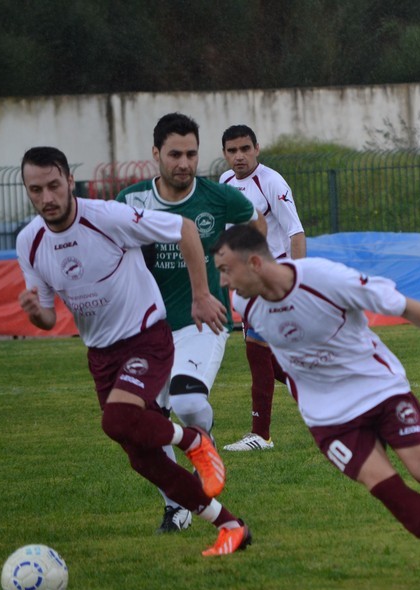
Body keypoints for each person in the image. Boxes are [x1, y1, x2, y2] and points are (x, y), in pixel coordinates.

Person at [211, 224, 420, 587]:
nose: (224, 281)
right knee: (389, 491)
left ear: (255, 263)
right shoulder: (245, 302)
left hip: (378, 388)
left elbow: (406, 307)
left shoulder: (325, 279)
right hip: (328, 416)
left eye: (226, 270)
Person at [15, 146, 251, 557]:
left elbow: (185, 229)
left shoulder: (108, 216)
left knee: (117, 420)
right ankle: (230, 526)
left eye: (54, 186)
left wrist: (200, 295)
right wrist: (37, 313)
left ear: (70, 181)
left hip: (146, 338)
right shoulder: (29, 241)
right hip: (101, 355)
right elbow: (49, 319)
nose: (47, 198)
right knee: (143, 458)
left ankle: (193, 439)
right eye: (36, 190)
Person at [117, 113, 266, 533]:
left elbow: (255, 222)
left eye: (191, 154)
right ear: (156, 154)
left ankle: (204, 442)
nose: (184, 163)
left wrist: (245, 268)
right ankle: (176, 506)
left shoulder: (217, 197)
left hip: (202, 322)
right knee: (147, 426)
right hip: (146, 331)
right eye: (175, 154)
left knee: (185, 403)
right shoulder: (131, 200)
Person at [218, 124, 306, 453]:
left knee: (256, 352)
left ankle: (261, 435)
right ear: (224, 154)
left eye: (245, 148)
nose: (239, 156)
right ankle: (328, 396)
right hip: (245, 281)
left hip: (270, 277)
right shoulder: (225, 182)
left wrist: (297, 281)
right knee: (269, 357)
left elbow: (296, 232)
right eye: (232, 150)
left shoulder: (271, 182)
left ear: (257, 148)